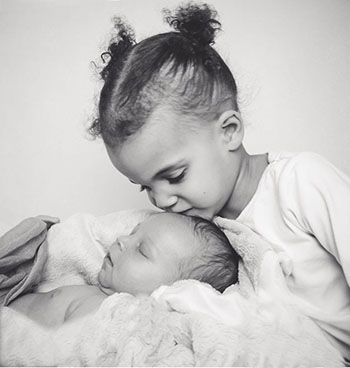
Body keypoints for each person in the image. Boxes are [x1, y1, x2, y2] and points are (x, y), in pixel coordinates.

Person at [88, 2, 350, 361]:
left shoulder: (300, 182)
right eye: (145, 186)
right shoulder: (199, 234)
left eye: (174, 176)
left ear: (229, 131)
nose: (161, 200)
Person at [8, 212, 239, 327]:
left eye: (142, 250)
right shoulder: (96, 294)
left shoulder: (108, 313)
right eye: (132, 233)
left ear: (169, 293)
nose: (121, 240)